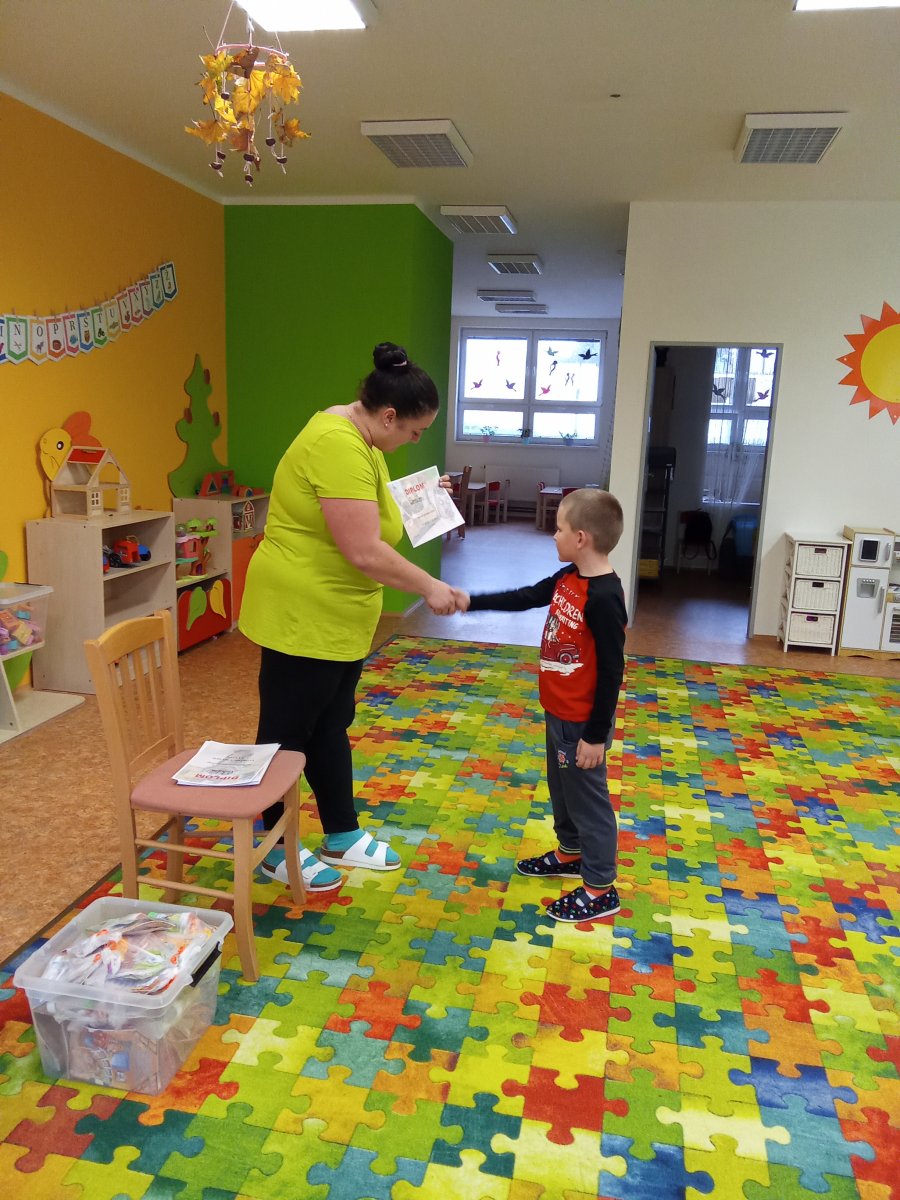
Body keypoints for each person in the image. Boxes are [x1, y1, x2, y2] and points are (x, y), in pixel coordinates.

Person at [239, 341, 465, 892]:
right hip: (303, 612)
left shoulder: (362, 439)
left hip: (337, 613)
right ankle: (271, 847)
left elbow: (369, 510)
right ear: (388, 415)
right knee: (287, 732)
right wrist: (430, 586)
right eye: (414, 431)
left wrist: (421, 498)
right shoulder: (337, 445)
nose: (415, 440)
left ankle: (341, 832)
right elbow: (364, 549)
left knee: (330, 720)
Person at [459, 488, 627, 922]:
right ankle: (570, 852)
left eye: (559, 529)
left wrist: (595, 735)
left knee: (589, 800)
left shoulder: (605, 597)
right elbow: (526, 597)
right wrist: (472, 601)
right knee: (563, 789)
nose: (553, 536)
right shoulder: (569, 577)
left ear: (581, 538)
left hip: (582, 722)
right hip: (558, 711)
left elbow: (612, 671)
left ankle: (600, 887)